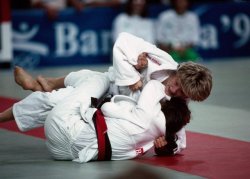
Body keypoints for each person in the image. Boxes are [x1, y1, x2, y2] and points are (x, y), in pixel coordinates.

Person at [0, 70, 190, 162]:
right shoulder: (155, 62)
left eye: (181, 93)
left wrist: (168, 146)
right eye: (175, 83)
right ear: (176, 71)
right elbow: (122, 44)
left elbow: (178, 144)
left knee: (96, 80)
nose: (173, 90)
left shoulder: (158, 102)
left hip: (82, 119)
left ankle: (49, 83)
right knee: (59, 98)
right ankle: (40, 89)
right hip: (69, 153)